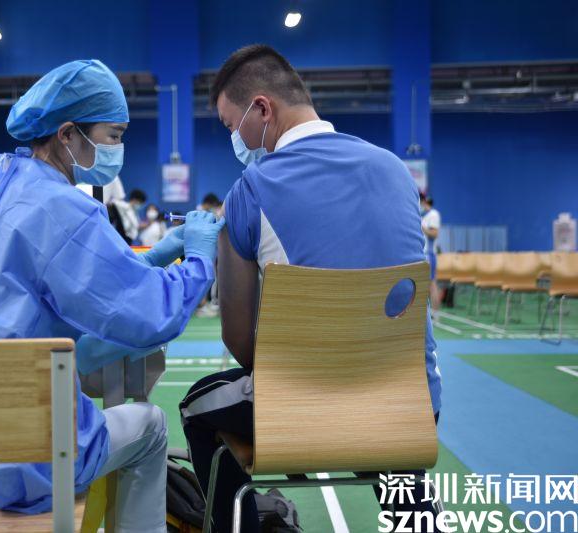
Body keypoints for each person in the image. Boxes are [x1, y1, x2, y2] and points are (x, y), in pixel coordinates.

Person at [0, 59, 225, 532]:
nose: (117, 148)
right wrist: (199, 258)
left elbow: (68, 283)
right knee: (151, 424)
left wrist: (154, 257)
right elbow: (151, 315)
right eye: (113, 136)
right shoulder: (65, 206)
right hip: (15, 463)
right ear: (68, 134)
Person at [179, 45, 442, 533]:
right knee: (389, 427)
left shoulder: (249, 191)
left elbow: (238, 340)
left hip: (303, 414)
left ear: (262, 109)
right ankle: (416, 519)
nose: (235, 139)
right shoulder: (395, 170)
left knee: (197, 406)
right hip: (412, 406)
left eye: (231, 125)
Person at [420, 193, 442, 310]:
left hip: (429, 254)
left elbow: (434, 234)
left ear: (424, 202)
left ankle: (436, 313)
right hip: (421, 255)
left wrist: (423, 228)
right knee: (424, 285)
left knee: (432, 284)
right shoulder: (423, 216)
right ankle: (428, 312)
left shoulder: (433, 215)